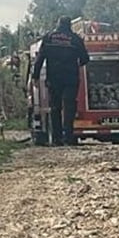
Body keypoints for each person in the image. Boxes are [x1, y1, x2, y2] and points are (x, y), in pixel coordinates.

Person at [32, 16, 90, 146]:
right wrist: (76, 63)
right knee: (69, 107)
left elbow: (40, 59)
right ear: (70, 25)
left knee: (55, 107)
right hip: (71, 78)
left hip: (54, 78)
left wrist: (35, 77)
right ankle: (68, 137)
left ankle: (57, 139)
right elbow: (85, 58)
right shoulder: (76, 39)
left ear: (57, 24)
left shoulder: (48, 38)